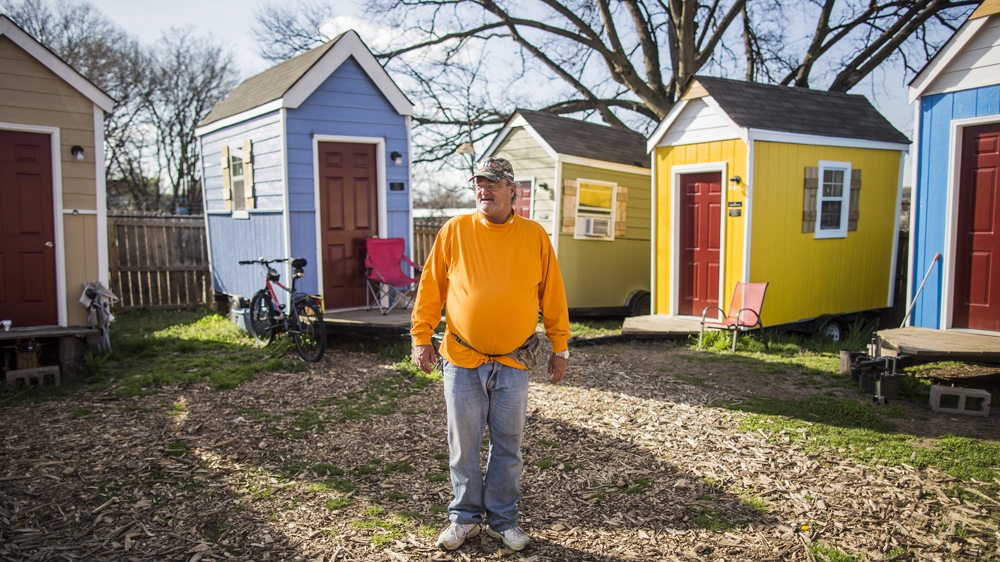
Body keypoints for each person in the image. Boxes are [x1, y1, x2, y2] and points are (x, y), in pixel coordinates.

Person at [411, 157, 571, 552]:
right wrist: (421, 336)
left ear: (512, 190)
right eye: (479, 183)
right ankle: (464, 518)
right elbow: (431, 288)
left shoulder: (534, 235)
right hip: (462, 358)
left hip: (514, 361)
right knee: (463, 445)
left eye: (493, 183)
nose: (484, 190)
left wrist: (561, 346)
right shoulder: (454, 230)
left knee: (508, 446)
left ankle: (503, 521)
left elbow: (552, 295)